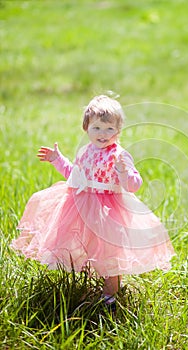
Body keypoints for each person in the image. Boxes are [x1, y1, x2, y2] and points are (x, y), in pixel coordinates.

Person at [11, 95, 175, 310]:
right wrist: (57, 160)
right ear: (86, 128)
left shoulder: (119, 156)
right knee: (84, 245)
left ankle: (110, 296)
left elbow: (134, 185)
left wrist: (124, 173)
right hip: (80, 205)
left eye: (109, 128)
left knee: (109, 251)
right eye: (97, 128)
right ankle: (86, 284)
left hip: (108, 210)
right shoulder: (85, 151)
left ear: (118, 131)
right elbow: (75, 175)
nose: (103, 134)